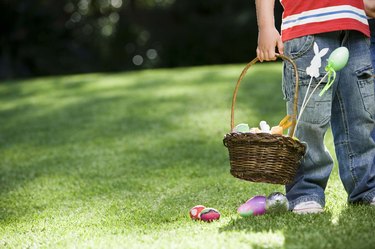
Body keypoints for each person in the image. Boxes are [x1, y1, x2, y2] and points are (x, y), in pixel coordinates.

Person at [255, 0, 375, 213]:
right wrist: (266, 26)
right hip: (306, 28)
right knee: (308, 120)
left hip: (355, 29)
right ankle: (305, 191)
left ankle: (366, 186)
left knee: (360, 116)